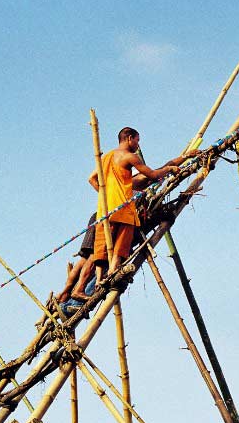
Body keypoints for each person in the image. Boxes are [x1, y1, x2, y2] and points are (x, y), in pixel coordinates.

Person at [71, 127, 193, 305]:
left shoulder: (106, 157)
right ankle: (96, 280)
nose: (138, 144)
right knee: (118, 247)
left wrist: (104, 195)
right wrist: (170, 169)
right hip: (123, 209)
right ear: (129, 138)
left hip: (106, 209)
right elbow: (152, 174)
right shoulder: (130, 157)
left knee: (101, 251)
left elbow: (91, 178)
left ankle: (95, 281)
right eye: (137, 140)